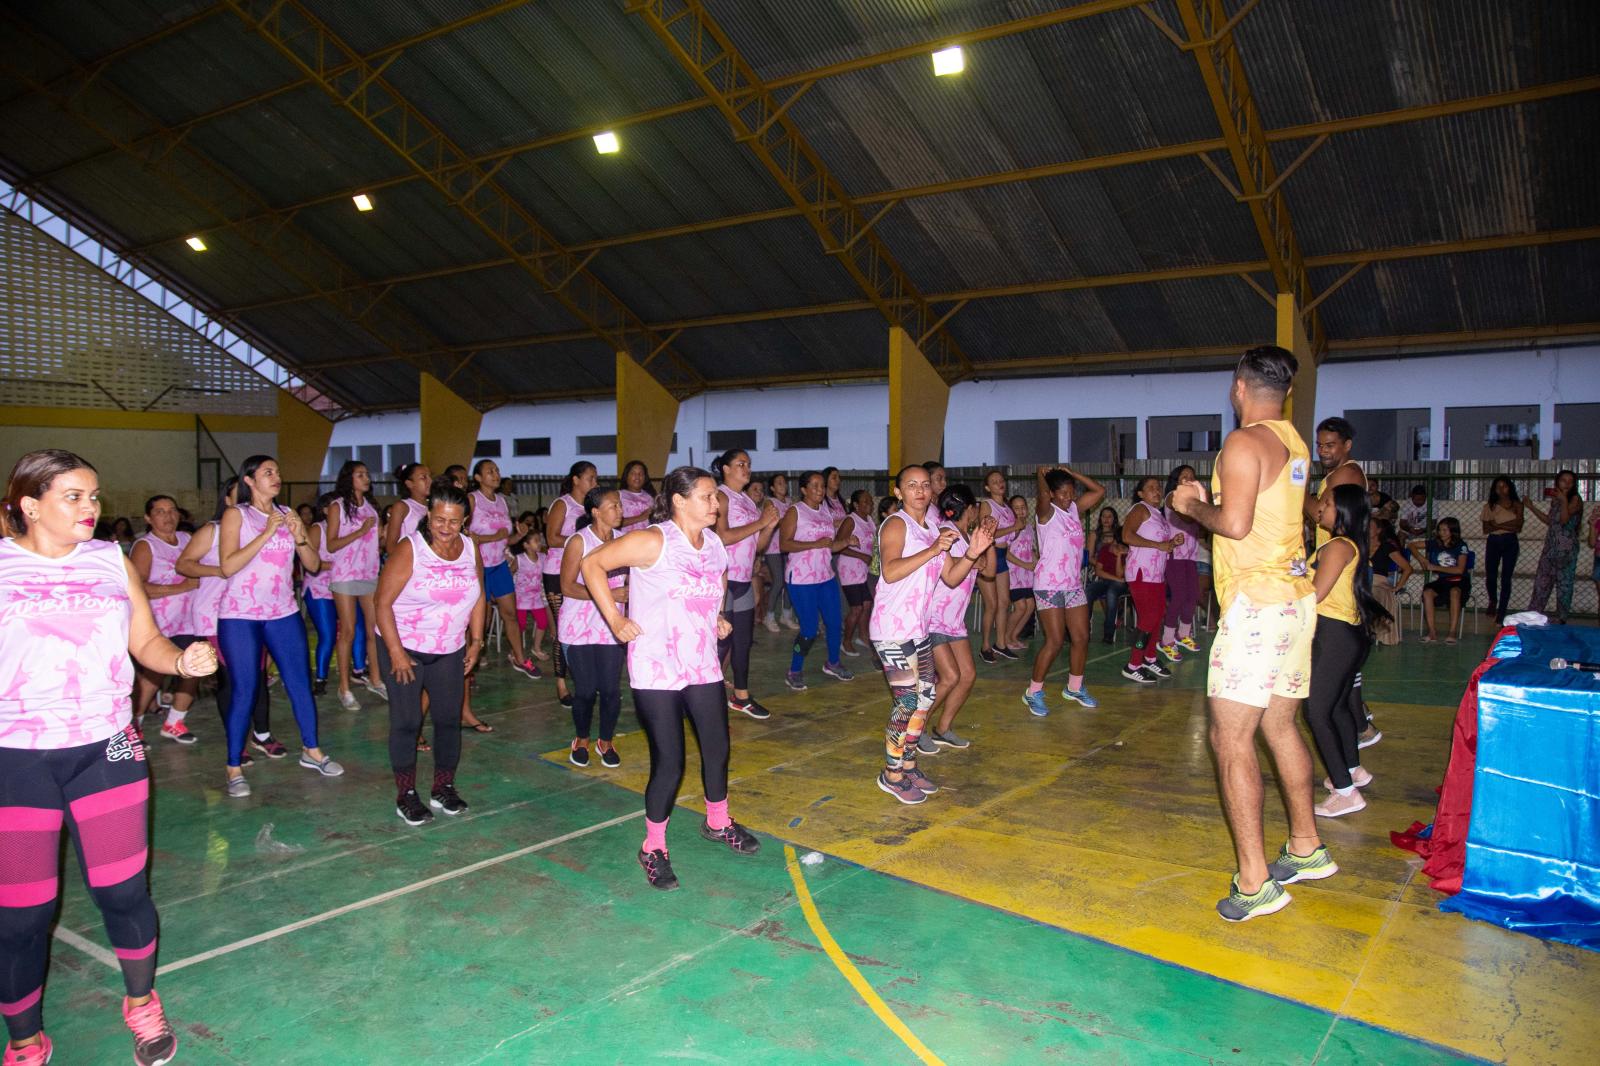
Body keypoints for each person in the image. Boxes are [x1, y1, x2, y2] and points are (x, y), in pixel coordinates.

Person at [1, 449, 217, 1066]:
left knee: (122, 891)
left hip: (109, 744)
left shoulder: (109, 560)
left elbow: (144, 638)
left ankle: (141, 1001)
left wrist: (180, 661)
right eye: (73, 496)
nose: (90, 507)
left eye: (94, 495)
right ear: (29, 504)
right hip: (15, 756)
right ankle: (24, 1038)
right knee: (22, 915)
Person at [1170, 345, 1333, 922]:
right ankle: (1307, 846)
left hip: (1258, 609)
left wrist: (1193, 504)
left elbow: (1234, 523)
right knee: (1281, 724)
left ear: (1238, 387)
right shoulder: (1294, 442)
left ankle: (1255, 880)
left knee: (1230, 739)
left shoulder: (1243, 443)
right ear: (1284, 391)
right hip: (1295, 601)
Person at [582, 467, 757, 891]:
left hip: (700, 663)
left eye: (716, 497)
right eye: (708, 497)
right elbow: (591, 564)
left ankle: (718, 821)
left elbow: (716, 579)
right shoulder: (653, 540)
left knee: (717, 747)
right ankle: (653, 847)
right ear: (679, 501)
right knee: (670, 761)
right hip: (657, 667)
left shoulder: (714, 543)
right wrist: (615, 618)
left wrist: (715, 615)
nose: (716, 504)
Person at [216, 454, 343, 797]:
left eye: (277, 471)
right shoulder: (236, 515)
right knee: (245, 688)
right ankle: (233, 767)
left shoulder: (288, 514)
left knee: (298, 682)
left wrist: (300, 536)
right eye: (267, 472)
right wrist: (267, 533)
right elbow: (228, 566)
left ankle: (312, 750)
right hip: (240, 615)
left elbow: (313, 565)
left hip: (283, 612)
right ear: (249, 481)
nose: (276, 476)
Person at [869, 465, 991, 804]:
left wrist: (972, 552)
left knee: (924, 698)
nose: (920, 491)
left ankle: (908, 764)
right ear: (899, 492)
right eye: (912, 485)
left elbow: (951, 578)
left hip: (919, 627)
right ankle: (891, 774)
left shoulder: (934, 529)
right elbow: (891, 571)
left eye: (925, 485)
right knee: (907, 700)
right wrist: (935, 549)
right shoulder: (896, 524)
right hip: (891, 628)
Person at [374, 479, 486, 826]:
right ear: (429, 514)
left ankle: (443, 787)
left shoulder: (470, 547)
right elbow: (382, 603)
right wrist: (395, 652)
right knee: (407, 722)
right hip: (405, 646)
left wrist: (477, 640)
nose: (446, 528)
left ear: (465, 520)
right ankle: (405, 794)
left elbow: (479, 593)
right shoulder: (411, 549)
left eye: (454, 521)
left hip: (449, 647)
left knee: (448, 721)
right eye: (440, 520)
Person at [177, 480, 282, 761]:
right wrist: (220, 570)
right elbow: (184, 564)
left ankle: (262, 734)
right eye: (242, 494)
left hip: (254, 612)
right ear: (227, 500)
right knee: (232, 680)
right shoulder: (213, 530)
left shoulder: (265, 527)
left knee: (258, 676)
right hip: (215, 614)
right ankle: (237, 742)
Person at [1305, 485, 1389, 818]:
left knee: (1315, 713)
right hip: (1346, 635)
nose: (1320, 508)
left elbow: (1314, 594)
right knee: (1338, 708)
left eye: (1326, 503)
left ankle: (1345, 792)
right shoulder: (1343, 545)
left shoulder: (1338, 546)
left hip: (1334, 636)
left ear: (1343, 512)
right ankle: (1352, 770)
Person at [1022, 465, 1107, 713]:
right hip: (1049, 586)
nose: (1068, 497)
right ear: (1051, 494)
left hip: (1072, 584)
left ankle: (1074, 687)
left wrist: (1072, 473)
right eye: (1062, 493)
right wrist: (1040, 475)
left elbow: (1099, 490)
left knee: (1081, 637)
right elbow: (1041, 495)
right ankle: (1033, 692)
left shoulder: (1072, 510)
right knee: (1055, 641)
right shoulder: (1045, 513)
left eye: (1071, 492)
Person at [919, 484, 996, 754]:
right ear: (972, 508)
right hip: (935, 618)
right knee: (950, 676)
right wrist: (971, 556)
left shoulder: (966, 535)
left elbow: (988, 570)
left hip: (954, 621)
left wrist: (988, 538)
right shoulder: (945, 533)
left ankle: (943, 729)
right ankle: (917, 730)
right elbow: (951, 574)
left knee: (967, 676)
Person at [560, 486, 628, 766]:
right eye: (613, 506)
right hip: (579, 627)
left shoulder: (625, 541)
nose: (620, 510)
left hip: (612, 627)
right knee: (586, 690)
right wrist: (609, 595)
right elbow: (566, 586)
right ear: (596, 512)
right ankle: (582, 738)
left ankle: (606, 741)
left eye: (620, 505)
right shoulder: (579, 541)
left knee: (611, 690)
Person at [712, 449, 780, 720]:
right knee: (720, 643)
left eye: (749, 464)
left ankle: (741, 696)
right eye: (740, 464)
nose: (746, 468)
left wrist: (769, 526)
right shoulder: (720, 496)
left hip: (743, 578)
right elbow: (724, 537)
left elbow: (757, 547)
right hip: (722, 578)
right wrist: (760, 523)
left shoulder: (748, 503)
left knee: (742, 641)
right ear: (725, 468)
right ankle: (708, 694)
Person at [130, 495, 200, 744]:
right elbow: (137, 587)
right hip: (158, 622)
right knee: (152, 676)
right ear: (149, 518)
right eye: (160, 511)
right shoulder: (145, 546)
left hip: (189, 619)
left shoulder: (187, 539)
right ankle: (133, 726)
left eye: (171, 510)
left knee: (192, 670)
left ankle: (174, 722)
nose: (168, 516)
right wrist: (180, 588)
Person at [778, 471, 855, 690]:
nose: (820, 490)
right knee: (809, 630)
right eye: (814, 486)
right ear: (803, 490)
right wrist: (814, 544)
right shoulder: (795, 512)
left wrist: (847, 541)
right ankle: (794, 669)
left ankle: (833, 663)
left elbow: (828, 545)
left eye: (821, 486)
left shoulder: (825, 512)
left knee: (834, 624)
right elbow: (784, 544)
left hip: (825, 576)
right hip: (801, 580)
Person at [325, 460, 385, 710]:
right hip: (345, 574)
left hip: (369, 572)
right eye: (361, 474)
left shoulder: (371, 508)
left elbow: (377, 543)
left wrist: (382, 534)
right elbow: (331, 545)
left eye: (367, 474)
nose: (366, 478)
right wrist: (360, 532)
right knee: (348, 631)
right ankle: (344, 688)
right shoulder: (337, 507)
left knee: (375, 629)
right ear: (349, 478)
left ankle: (375, 679)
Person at [468, 459, 535, 679]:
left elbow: (506, 539)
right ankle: (469, 662)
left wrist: (520, 536)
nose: (495, 474)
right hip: (479, 568)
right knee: (482, 620)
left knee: (510, 614)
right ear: (478, 478)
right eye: (489, 471)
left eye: (496, 470)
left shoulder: (502, 502)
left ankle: (519, 657)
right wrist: (492, 537)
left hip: (498, 565)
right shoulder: (472, 500)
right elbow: (465, 536)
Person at [544, 462, 600, 708]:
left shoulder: (591, 508)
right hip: (557, 571)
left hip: (582, 572)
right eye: (590, 478)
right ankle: (561, 683)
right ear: (576, 480)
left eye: (596, 479)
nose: (594, 483)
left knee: (584, 626)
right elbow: (552, 537)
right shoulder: (562, 504)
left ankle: (585, 680)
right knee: (562, 629)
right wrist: (582, 541)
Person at [1121, 476, 1182, 683]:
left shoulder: (1159, 515)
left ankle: (1150, 658)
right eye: (1151, 488)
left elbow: (1160, 544)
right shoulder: (1140, 509)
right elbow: (1127, 536)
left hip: (1156, 573)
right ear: (1140, 494)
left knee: (1158, 616)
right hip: (1141, 572)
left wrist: (1171, 543)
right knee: (1148, 618)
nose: (1157, 491)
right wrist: (1159, 546)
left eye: (1159, 488)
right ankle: (1133, 665)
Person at [303, 493, 361, 698]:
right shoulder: (318, 529)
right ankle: (320, 678)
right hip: (320, 588)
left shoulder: (348, 530)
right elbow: (309, 561)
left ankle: (359, 669)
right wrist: (338, 565)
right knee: (327, 634)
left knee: (353, 628)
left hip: (343, 588)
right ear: (326, 510)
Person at [975, 470, 1023, 663]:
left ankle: (1001, 644)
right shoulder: (987, 505)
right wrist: (1013, 527)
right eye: (994, 482)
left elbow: (1012, 534)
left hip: (1002, 555)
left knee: (1004, 602)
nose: (999, 484)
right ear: (988, 487)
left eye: (1001, 480)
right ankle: (985, 645)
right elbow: (987, 533)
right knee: (992, 604)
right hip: (989, 554)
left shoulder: (1008, 507)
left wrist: (1017, 529)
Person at [1525, 469, 1584, 624]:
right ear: (1557, 482)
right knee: (1542, 581)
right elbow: (1551, 521)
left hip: (1565, 548)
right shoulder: (1556, 500)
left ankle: (1562, 617)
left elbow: (1564, 520)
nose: (1567, 484)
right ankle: (1534, 614)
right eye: (1563, 480)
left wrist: (1564, 500)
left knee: (1564, 584)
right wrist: (1532, 507)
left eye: (1570, 481)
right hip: (1551, 546)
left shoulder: (1575, 499)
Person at [1161, 466, 1203, 657]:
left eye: (1191, 477)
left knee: (1193, 595)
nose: (1188, 480)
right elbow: (1186, 518)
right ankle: (1167, 639)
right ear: (1176, 480)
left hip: (1190, 554)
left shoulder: (1195, 502)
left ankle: (1183, 634)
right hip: (1174, 554)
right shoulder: (1172, 496)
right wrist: (1203, 509)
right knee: (1178, 596)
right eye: (1183, 477)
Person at [836, 489, 877, 659]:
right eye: (865, 502)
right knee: (856, 608)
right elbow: (838, 545)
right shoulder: (850, 521)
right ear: (855, 505)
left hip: (863, 570)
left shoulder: (868, 520)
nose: (869, 505)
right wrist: (861, 555)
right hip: (849, 570)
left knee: (867, 605)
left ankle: (863, 636)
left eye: (870, 502)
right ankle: (846, 641)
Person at [1481, 476, 1523, 625]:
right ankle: (1493, 599)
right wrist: (1508, 524)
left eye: (1504, 486)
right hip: (1493, 541)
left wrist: (1497, 524)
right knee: (1491, 576)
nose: (1501, 490)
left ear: (1510, 488)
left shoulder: (1517, 504)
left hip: (1510, 541)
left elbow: (1518, 526)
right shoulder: (1490, 506)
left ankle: (1502, 612)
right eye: (1498, 487)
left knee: (1506, 578)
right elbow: (1486, 528)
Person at [1418, 517, 1468, 644]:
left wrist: (1435, 567)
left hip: (1459, 580)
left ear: (1453, 531)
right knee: (1427, 592)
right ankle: (1432, 631)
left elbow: (1459, 570)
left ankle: (1452, 632)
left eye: (1445, 530)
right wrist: (1422, 559)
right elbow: (1411, 545)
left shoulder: (1461, 546)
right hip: (1443, 580)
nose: (1442, 533)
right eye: (1440, 530)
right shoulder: (1435, 543)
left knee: (1455, 592)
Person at [1000, 495, 1037, 651]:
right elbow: (1006, 553)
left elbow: (1031, 549)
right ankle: (1005, 637)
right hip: (1014, 573)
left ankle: (1014, 636)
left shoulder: (1029, 528)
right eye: (1016, 508)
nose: (1021, 511)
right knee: (1020, 606)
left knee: (1030, 605)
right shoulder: (1011, 528)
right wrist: (1024, 564)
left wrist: (1035, 563)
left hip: (1027, 574)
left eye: (1023, 507)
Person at [1367, 517, 1411, 649]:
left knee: (1373, 593)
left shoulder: (1387, 547)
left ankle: (1372, 630)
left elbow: (1408, 568)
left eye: (1370, 526)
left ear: (1379, 530)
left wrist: (1398, 587)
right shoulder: (1359, 544)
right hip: (1362, 579)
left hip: (1379, 581)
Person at [759, 473, 795, 633]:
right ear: (772, 488)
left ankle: (786, 615)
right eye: (779, 483)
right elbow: (771, 522)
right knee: (778, 581)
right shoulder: (769, 502)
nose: (784, 485)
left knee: (791, 582)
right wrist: (788, 521)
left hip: (788, 546)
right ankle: (769, 616)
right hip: (773, 547)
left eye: (784, 482)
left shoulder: (790, 502)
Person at [1085, 512, 1128, 644]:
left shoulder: (1129, 553)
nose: (1119, 547)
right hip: (1108, 580)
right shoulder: (1105, 549)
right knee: (1089, 591)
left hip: (1122, 585)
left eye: (1123, 545)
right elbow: (1098, 571)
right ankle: (1084, 629)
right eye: (1118, 544)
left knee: (1111, 593)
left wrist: (1120, 556)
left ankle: (1109, 633)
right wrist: (1115, 578)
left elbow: (1121, 575)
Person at [510, 536, 549, 667]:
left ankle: (536, 648)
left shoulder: (543, 557)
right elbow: (510, 573)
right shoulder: (519, 559)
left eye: (539, 540)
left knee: (543, 622)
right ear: (526, 545)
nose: (539, 543)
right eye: (536, 540)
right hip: (520, 599)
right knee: (520, 626)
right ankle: (514, 651)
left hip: (536, 597)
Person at [383, 462, 432, 554]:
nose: (429, 481)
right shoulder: (402, 507)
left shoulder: (434, 506)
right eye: (423, 477)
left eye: (430, 476)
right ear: (409, 484)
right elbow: (391, 545)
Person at [618, 460, 655, 530]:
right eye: (633, 473)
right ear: (626, 476)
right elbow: (613, 523)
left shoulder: (650, 497)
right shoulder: (618, 496)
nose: (637, 477)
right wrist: (641, 517)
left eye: (641, 474)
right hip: (625, 539)